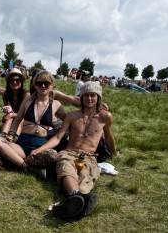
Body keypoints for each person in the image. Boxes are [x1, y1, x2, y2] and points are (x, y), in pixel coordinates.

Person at [33, 81, 117, 219]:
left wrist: (114, 153)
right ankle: (79, 199)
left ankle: (75, 201)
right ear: (81, 97)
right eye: (86, 95)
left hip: (89, 156)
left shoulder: (105, 117)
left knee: (86, 175)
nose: (89, 99)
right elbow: (59, 137)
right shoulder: (72, 115)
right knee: (66, 168)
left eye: (93, 95)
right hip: (69, 153)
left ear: (98, 97)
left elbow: (108, 136)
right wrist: (39, 149)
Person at [0, 71, 66, 176]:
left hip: (41, 147)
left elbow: (66, 125)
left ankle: (16, 160)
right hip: (22, 145)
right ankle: (27, 166)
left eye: (46, 83)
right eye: (40, 83)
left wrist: (39, 150)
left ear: (52, 85)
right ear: (35, 85)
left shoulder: (56, 105)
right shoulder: (28, 100)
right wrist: (11, 136)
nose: (43, 86)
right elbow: (17, 120)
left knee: (53, 155)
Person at [0, 68, 30, 134]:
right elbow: (9, 110)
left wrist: (12, 114)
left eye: (17, 80)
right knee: (9, 118)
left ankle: (12, 138)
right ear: (8, 82)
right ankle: (3, 136)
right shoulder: (6, 94)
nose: (14, 82)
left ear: (21, 81)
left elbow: (27, 114)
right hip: (12, 119)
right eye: (12, 80)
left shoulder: (26, 95)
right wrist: (6, 109)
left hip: (25, 121)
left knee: (16, 118)